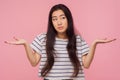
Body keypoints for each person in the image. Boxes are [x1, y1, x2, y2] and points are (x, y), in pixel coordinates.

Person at [5, 4, 116, 80]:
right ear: (51, 22)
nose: (59, 22)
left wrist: (94, 44)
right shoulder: (43, 38)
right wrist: (25, 44)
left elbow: (86, 65)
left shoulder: (78, 40)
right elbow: (34, 62)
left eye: (62, 17)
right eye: (54, 19)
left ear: (68, 19)